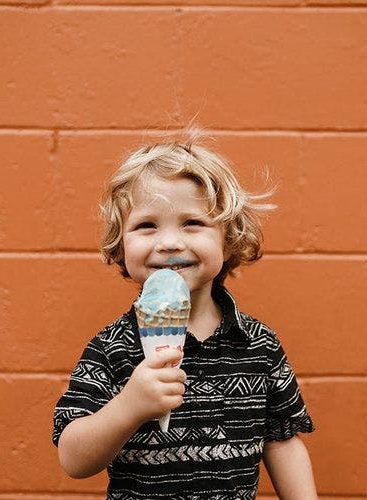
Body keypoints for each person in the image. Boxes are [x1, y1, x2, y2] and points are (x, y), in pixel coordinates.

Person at [52, 129, 318, 499]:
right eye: (146, 226)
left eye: (192, 223)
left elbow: (283, 441)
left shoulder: (259, 345)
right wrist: (129, 406)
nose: (169, 242)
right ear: (121, 244)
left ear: (228, 239)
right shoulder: (111, 347)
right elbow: (73, 459)